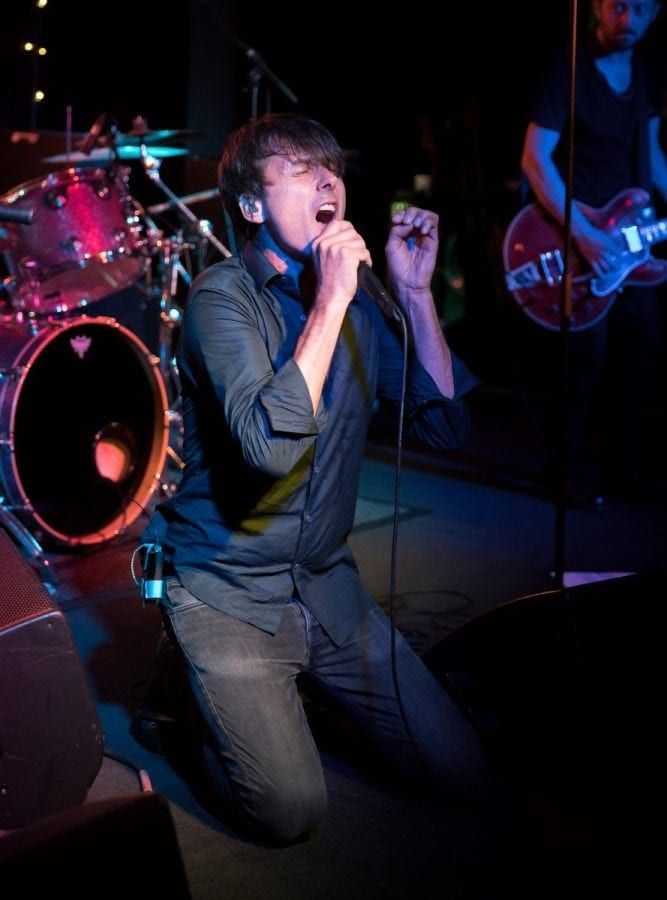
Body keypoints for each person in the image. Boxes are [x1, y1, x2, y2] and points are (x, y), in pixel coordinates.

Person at [134, 112, 489, 843]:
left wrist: (415, 295)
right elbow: (268, 450)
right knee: (288, 812)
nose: (327, 182)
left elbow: (443, 426)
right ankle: (187, 700)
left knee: (462, 772)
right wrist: (329, 300)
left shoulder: (361, 299)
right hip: (227, 588)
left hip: (325, 583)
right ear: (251, 204)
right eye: (301, 171)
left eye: (332, 170)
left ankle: (291, 694)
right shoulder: (221, 299)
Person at [520, 0, 667, 502]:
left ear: (656, 13)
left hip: (630, 239)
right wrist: (582, 232)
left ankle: (621, 468)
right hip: (578, 233)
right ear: (597, 8)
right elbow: (535, 159)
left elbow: (653, 156)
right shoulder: (569, 67)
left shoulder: (645, 74)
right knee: (585, 356)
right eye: (618, 6)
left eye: (641, 8)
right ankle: (567, 470)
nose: (628, 18)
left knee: (644, 347)